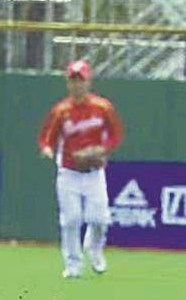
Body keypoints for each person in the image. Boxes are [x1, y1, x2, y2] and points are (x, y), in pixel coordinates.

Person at [36, 59, 123, 279]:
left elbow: (116, 134)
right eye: (73, 80)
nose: (77, 85)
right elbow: (46, 137)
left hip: (94, 173)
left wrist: (100, 150)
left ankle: (94, 249)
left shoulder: (102, 108)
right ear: (68, 83)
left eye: (80, 80)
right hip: (69, 173)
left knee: (100, 219)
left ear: (88, 82)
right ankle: (73, 264)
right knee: (71, 219)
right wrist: (47, 149)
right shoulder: (61, 110)